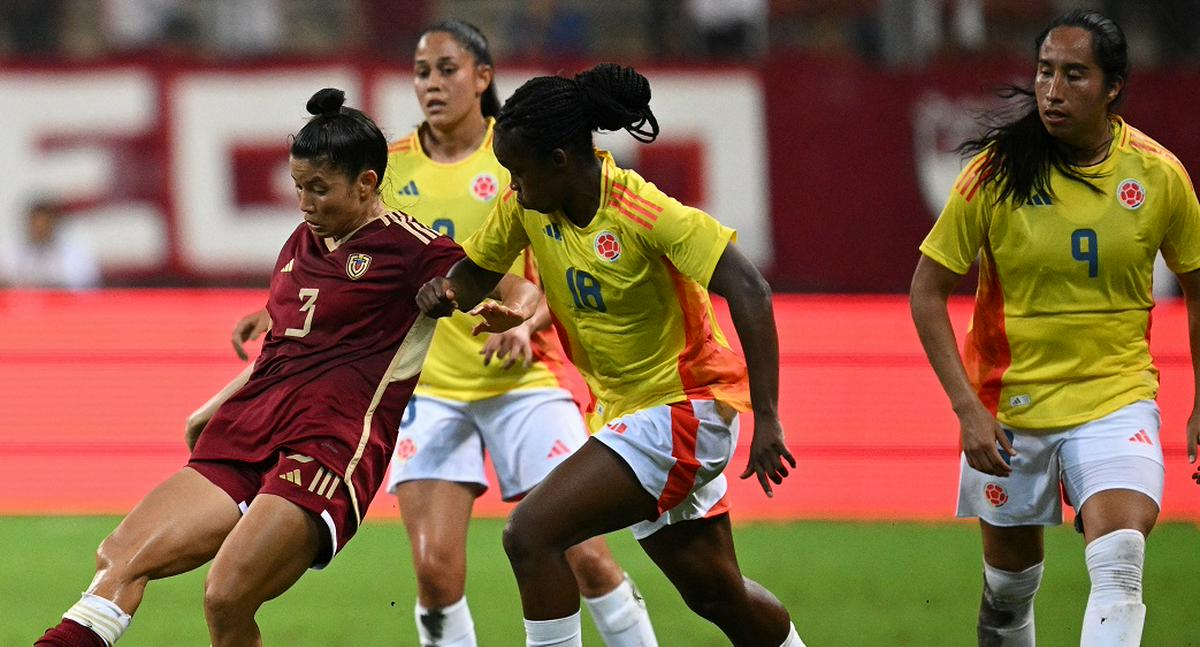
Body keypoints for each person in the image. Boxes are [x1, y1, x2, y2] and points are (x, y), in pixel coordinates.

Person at [194, 21, 656, 647]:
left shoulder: (520, 152)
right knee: (436, 575)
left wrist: (528, 322)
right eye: (421, 71)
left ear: (483, 78)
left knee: (587, 556)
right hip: (427, 389)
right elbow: (344, 251)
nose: (431, 84)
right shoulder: (388, 165)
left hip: (523, 378)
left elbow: (554, 262)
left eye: (447, 69)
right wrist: (276, 310)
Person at [35, 88, 536, 647]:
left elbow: (513, 284)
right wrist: (216, 406)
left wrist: (515, 319)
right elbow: (286, 343)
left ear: (366, 183)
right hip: (250, 427)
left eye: (319, 189)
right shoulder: (303, 240)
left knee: (227, 596)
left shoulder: (409, 248)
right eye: (299, 187)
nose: (305, 202)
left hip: (328, 445)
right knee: (119, 558)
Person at [417, 63, 805, 647]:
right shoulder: (529, 206)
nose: (512, 185)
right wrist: (444, 292)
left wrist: (769, 418)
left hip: (683, 408)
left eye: (518, 172)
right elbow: (473, 274)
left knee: (531, 533)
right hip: (628, 415)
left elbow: (751, 290)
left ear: (560, 161)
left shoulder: (645, 212)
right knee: (715, 594)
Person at [909, 10, 1200, 646]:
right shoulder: (993, 174)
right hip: (1008, 411)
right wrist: (967, 408)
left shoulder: (1159, 177)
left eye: (1074, 75)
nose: (1052, 90)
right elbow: (927, 292)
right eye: (1045, 72)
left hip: (1115, 398)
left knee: (1120, 559)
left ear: (1113, 86)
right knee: (1010, 595)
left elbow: (1199, 290)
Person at [2, 200, 100, 289]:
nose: (40, 230)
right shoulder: (12, 253)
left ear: (54, 224)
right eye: (36, 225)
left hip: (63, 306)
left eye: (44, 225)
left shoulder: (75, 254)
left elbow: (86, 285)